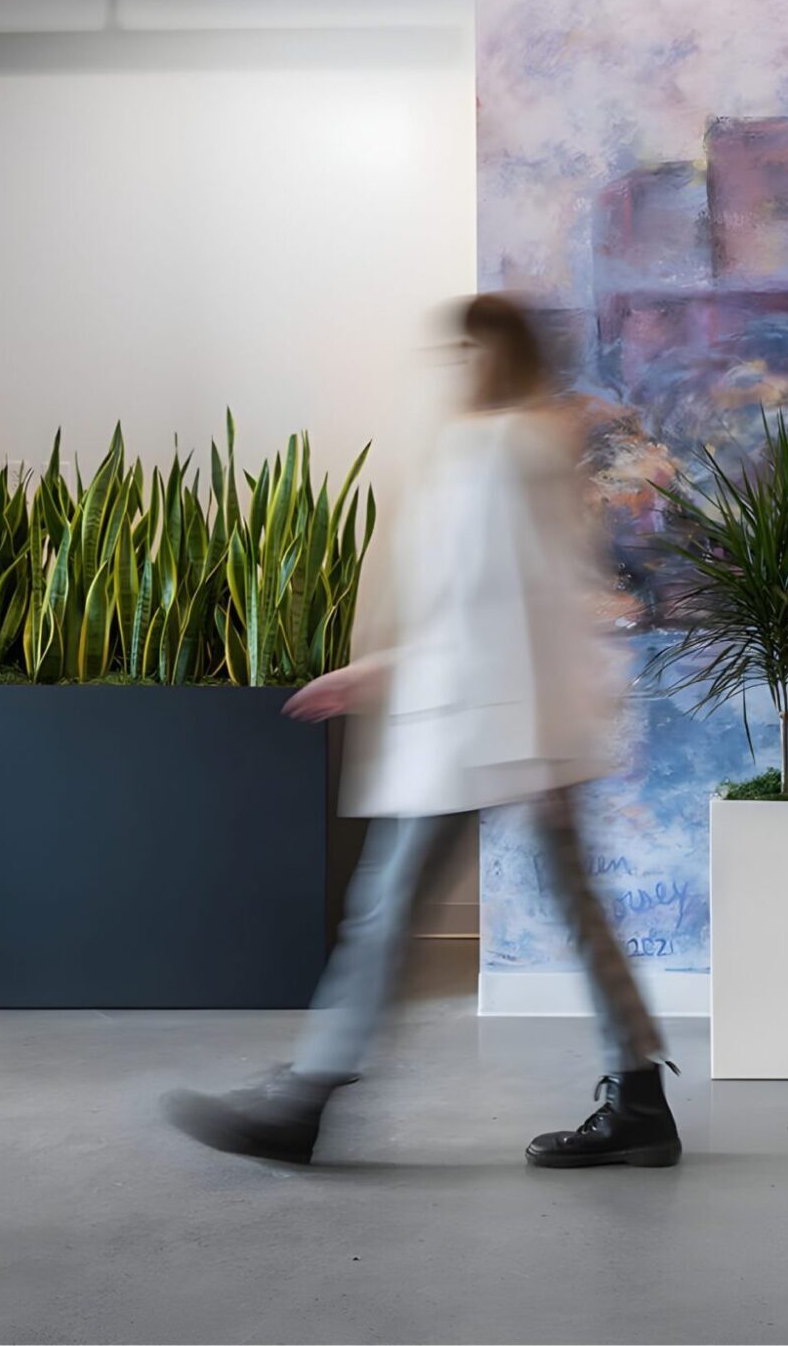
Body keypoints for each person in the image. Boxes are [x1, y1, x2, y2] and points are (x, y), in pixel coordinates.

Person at [162, 295, 677, 1170]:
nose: (452, 364)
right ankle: (637, 1098)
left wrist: (413, 688)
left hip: (481, 727)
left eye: (463, 348)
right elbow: (515, 600)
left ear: (492, 353)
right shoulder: (530, 447)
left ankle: (307, 1097)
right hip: (504, 722)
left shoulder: (495, 450)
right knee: (538, 910)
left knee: (387, 909)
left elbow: (500, 603)